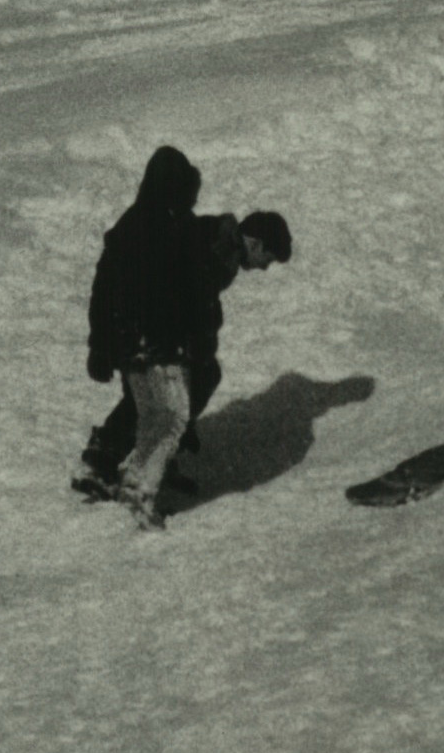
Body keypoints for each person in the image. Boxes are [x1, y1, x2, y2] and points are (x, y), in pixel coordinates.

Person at [78, 177, 293, 521]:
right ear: (254, 242)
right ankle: (107, 457)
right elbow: (180, 289)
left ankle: (139, 455)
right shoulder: (215, 245)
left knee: (196, 377)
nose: (266, 267)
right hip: (143, 323)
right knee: (165, 387)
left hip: (151, 324)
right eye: (268, 256)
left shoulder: (223, 246)